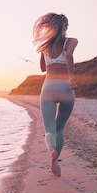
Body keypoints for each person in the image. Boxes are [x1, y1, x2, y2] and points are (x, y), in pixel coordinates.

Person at [33, 13, 78, 177]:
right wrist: (71, 77)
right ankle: (54, 162)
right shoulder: (71, 42)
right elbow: (69, 55)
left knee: (49, 130)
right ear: (65, 27)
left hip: (49, 88)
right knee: (60, 128)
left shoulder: (45, 46)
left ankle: (51, 150)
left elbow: (43, 69)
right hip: (66, 88)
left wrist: (45, 51)